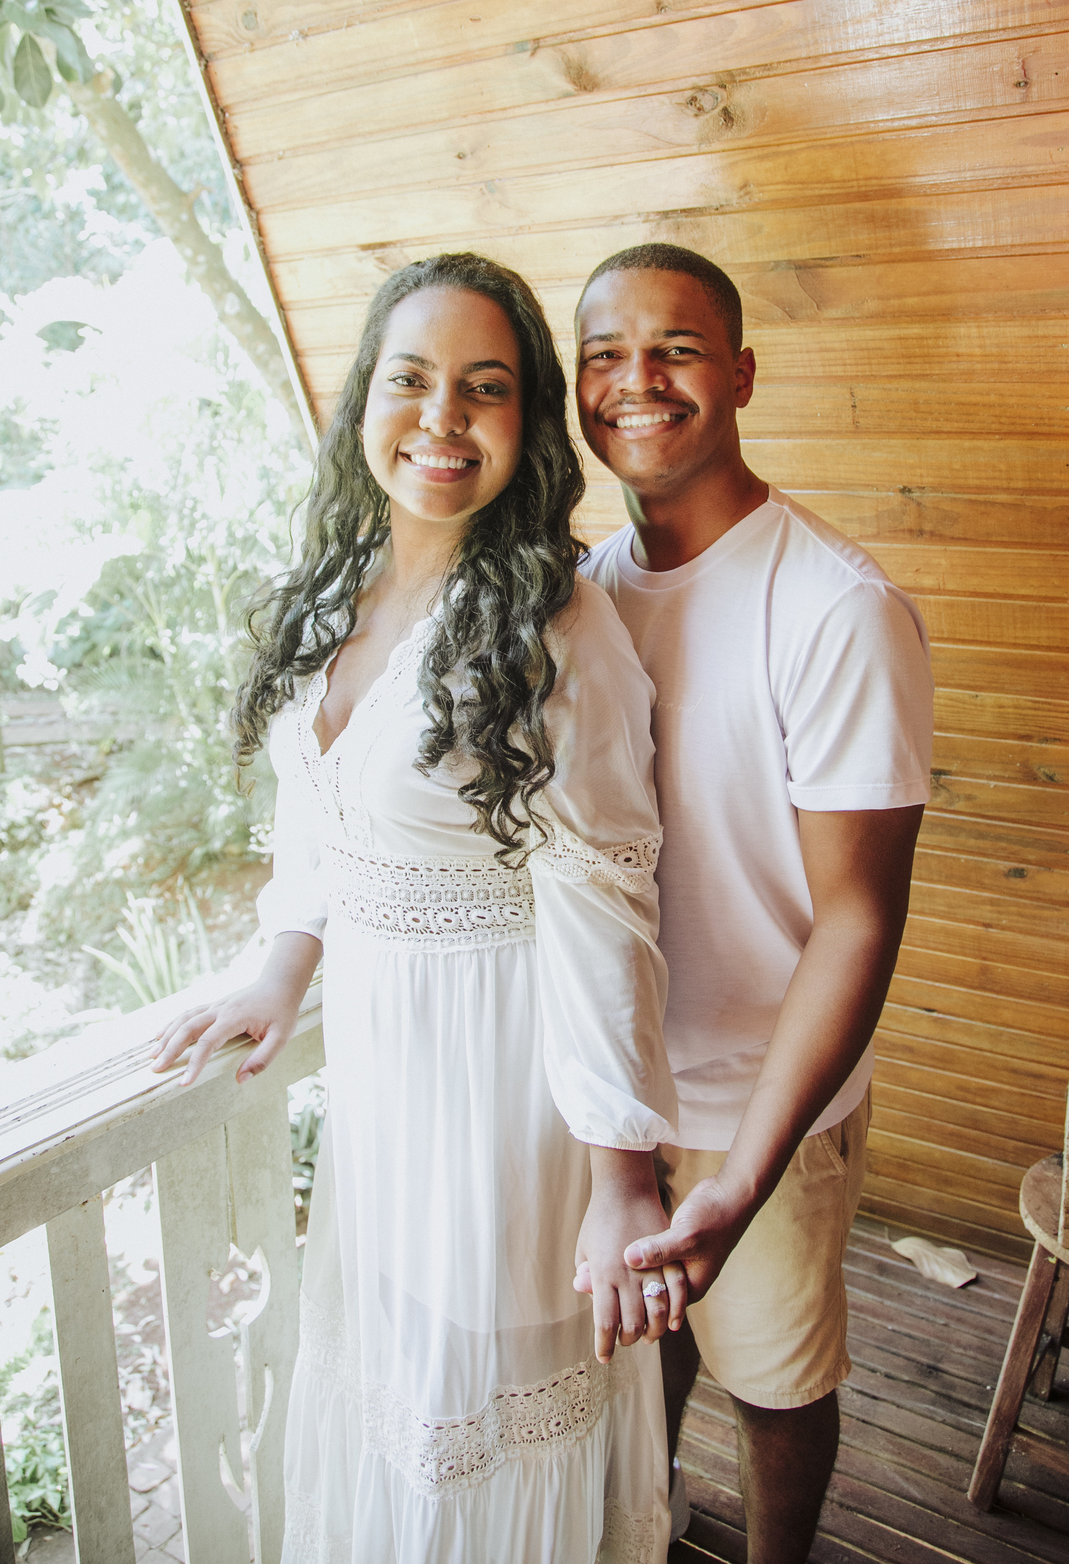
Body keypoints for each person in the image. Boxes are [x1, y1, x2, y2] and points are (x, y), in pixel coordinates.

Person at [151, 253, 685, 1564]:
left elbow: (604, 910)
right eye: (412, 379)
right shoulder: (341, 591)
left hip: (506, 1081)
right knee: (396, 1388)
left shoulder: (560, 630)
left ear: (528, 421)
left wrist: (623, 1179)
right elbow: (322, 814)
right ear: (364, 400)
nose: (443, 416)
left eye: (484, 388)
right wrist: (282, 963)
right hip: (388, 1079)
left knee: (483, 1408)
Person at [572, 243, 934, 1562]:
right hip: (609, 1095)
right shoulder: (584, 597)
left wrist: (745, 1173)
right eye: (605, 355)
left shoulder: (836, 608)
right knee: (642, 1349)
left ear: (739, 375)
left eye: (674, 349)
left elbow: (858, 918)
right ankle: (654, 1524)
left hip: (760, 1106)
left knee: (775, 1381)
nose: (638, 380)